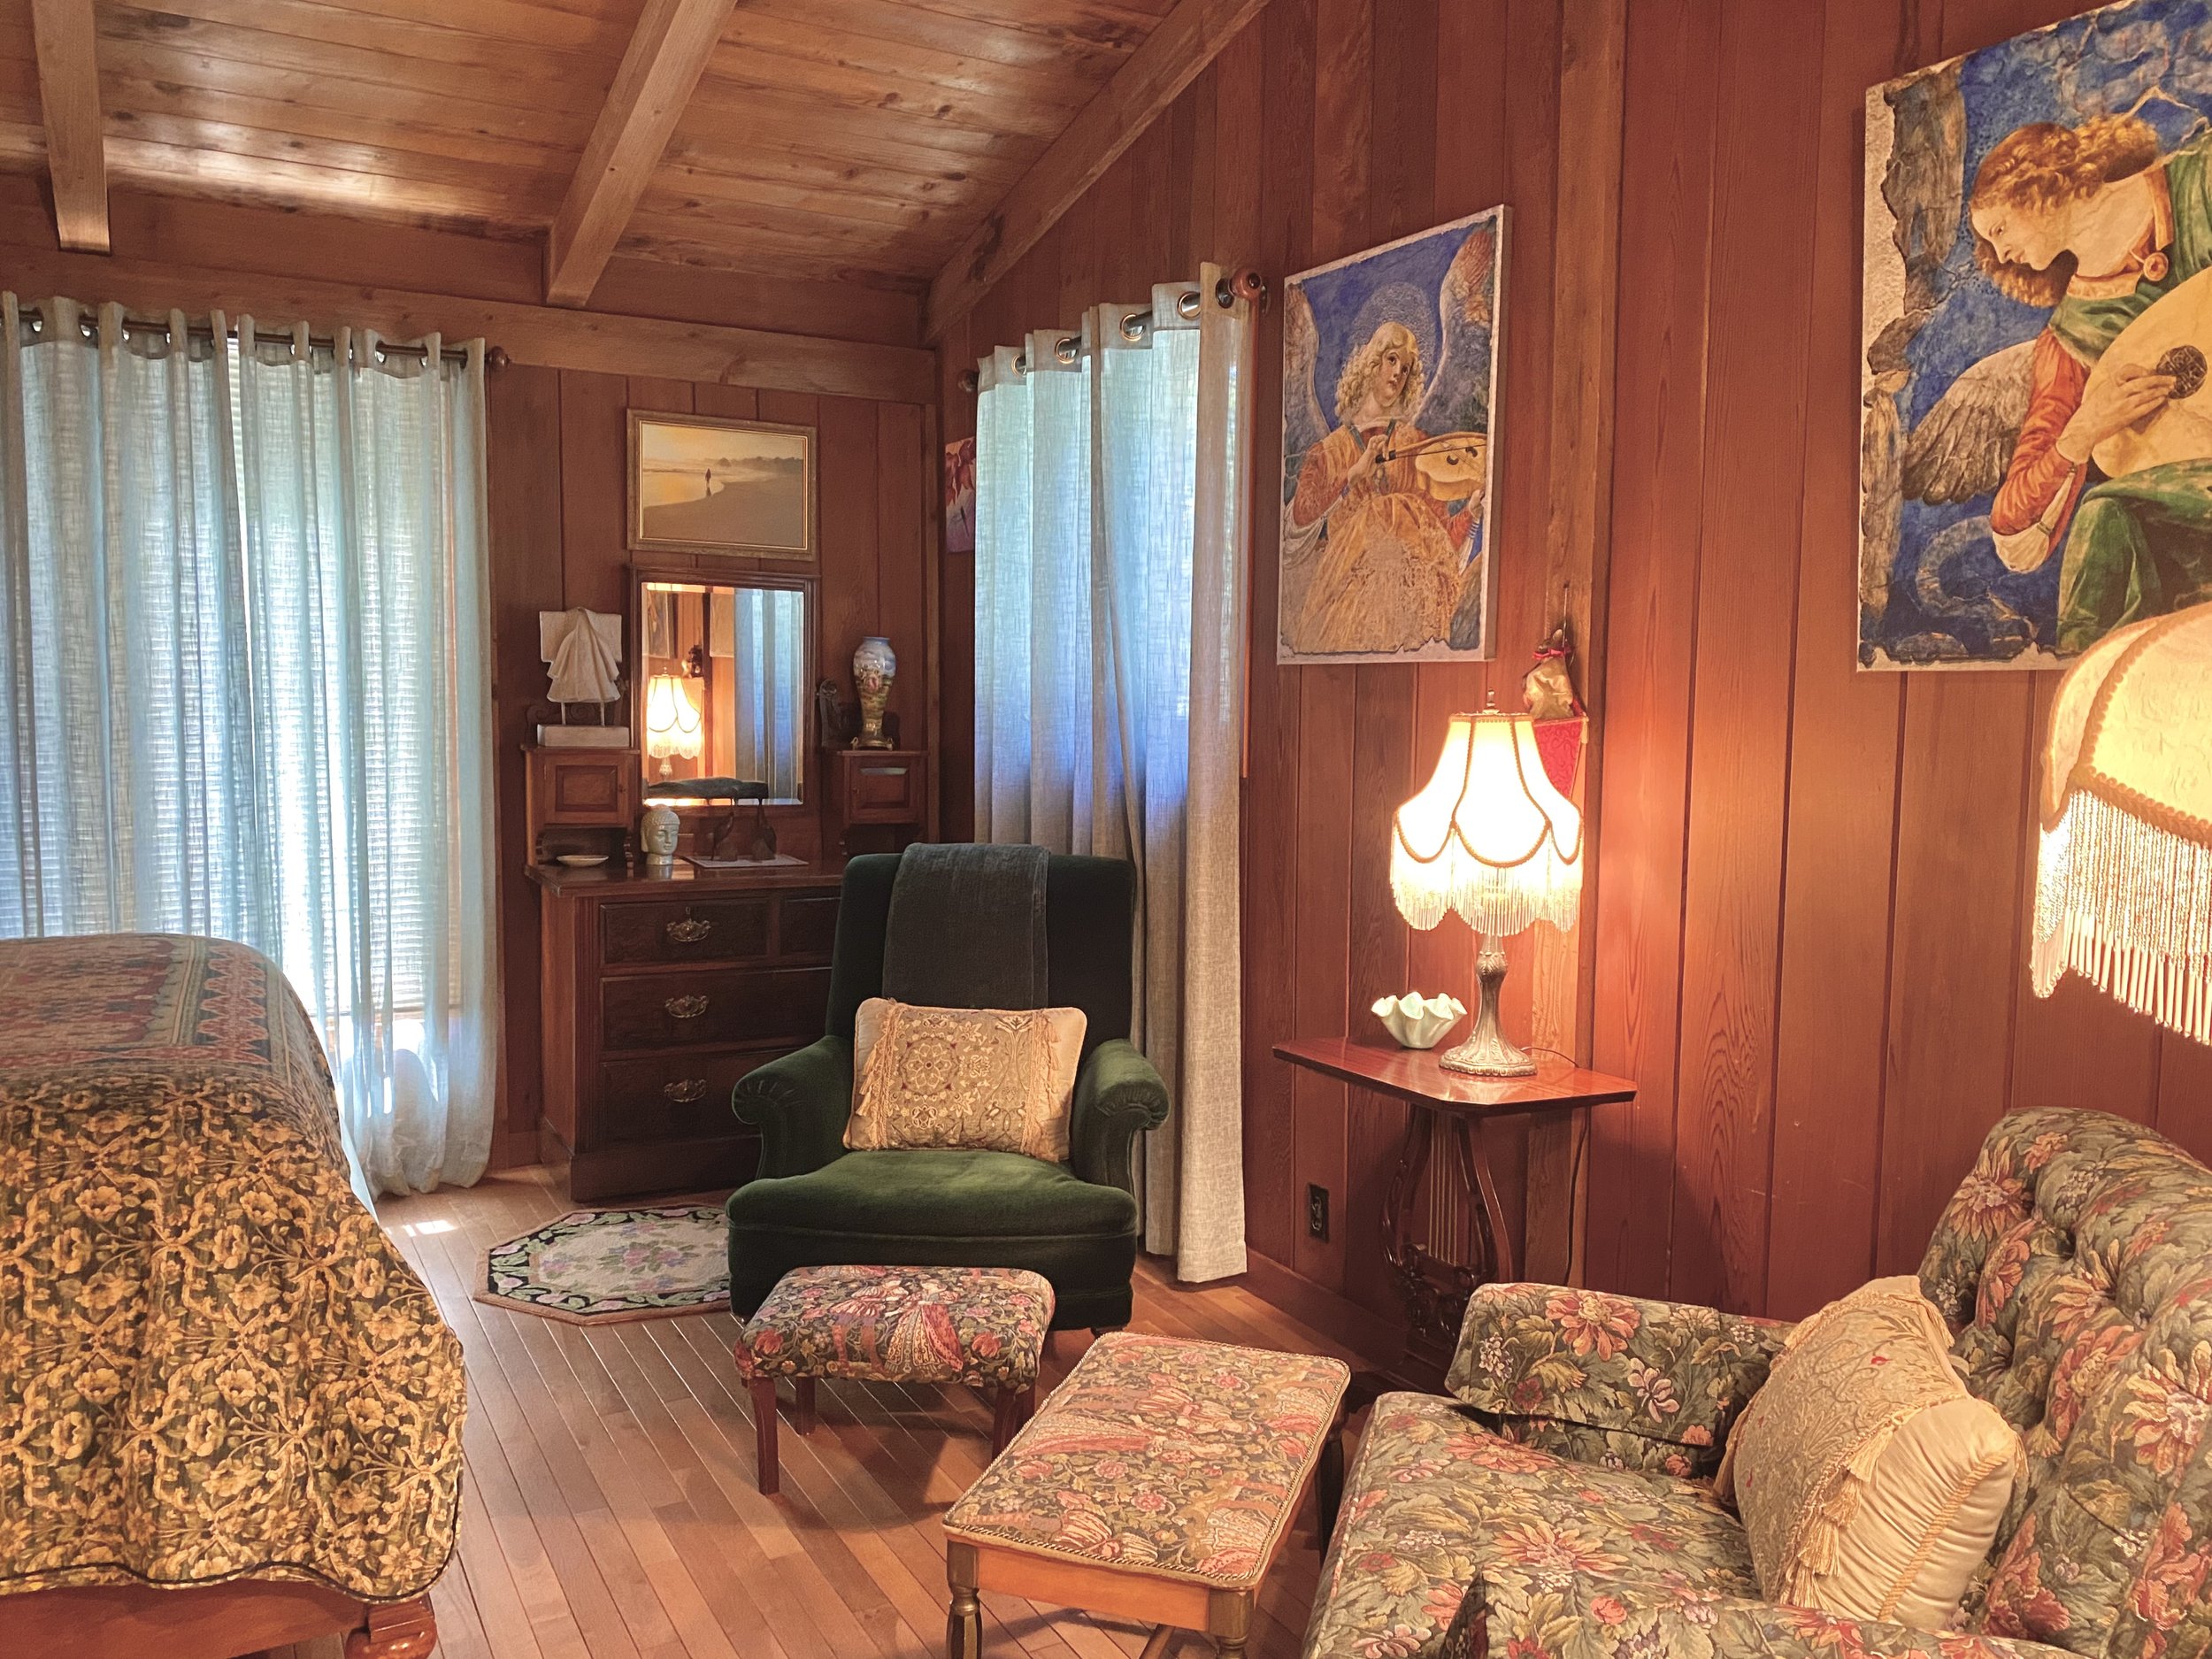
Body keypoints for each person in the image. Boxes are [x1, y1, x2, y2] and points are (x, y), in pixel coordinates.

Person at [1970, 113, 2212, 650]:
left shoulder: (2200, 183)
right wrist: (2084, 431)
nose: (2000, 253)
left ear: (2037, 186)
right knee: (2105, 514)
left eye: (2000, 229)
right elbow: (2011, 526)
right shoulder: (2069, 341)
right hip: (2193, 486)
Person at [1283, 320, 1482, 654]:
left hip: (1409, 601)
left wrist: (1470, 514)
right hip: (1349, 596)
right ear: (1372, 362)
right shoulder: (1328, 452)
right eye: (1391, 360)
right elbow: (1300, 521)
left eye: (1406, 368)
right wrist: (1352, 478)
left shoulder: (1416, 446)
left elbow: (1439, 536)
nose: (1397, 373)